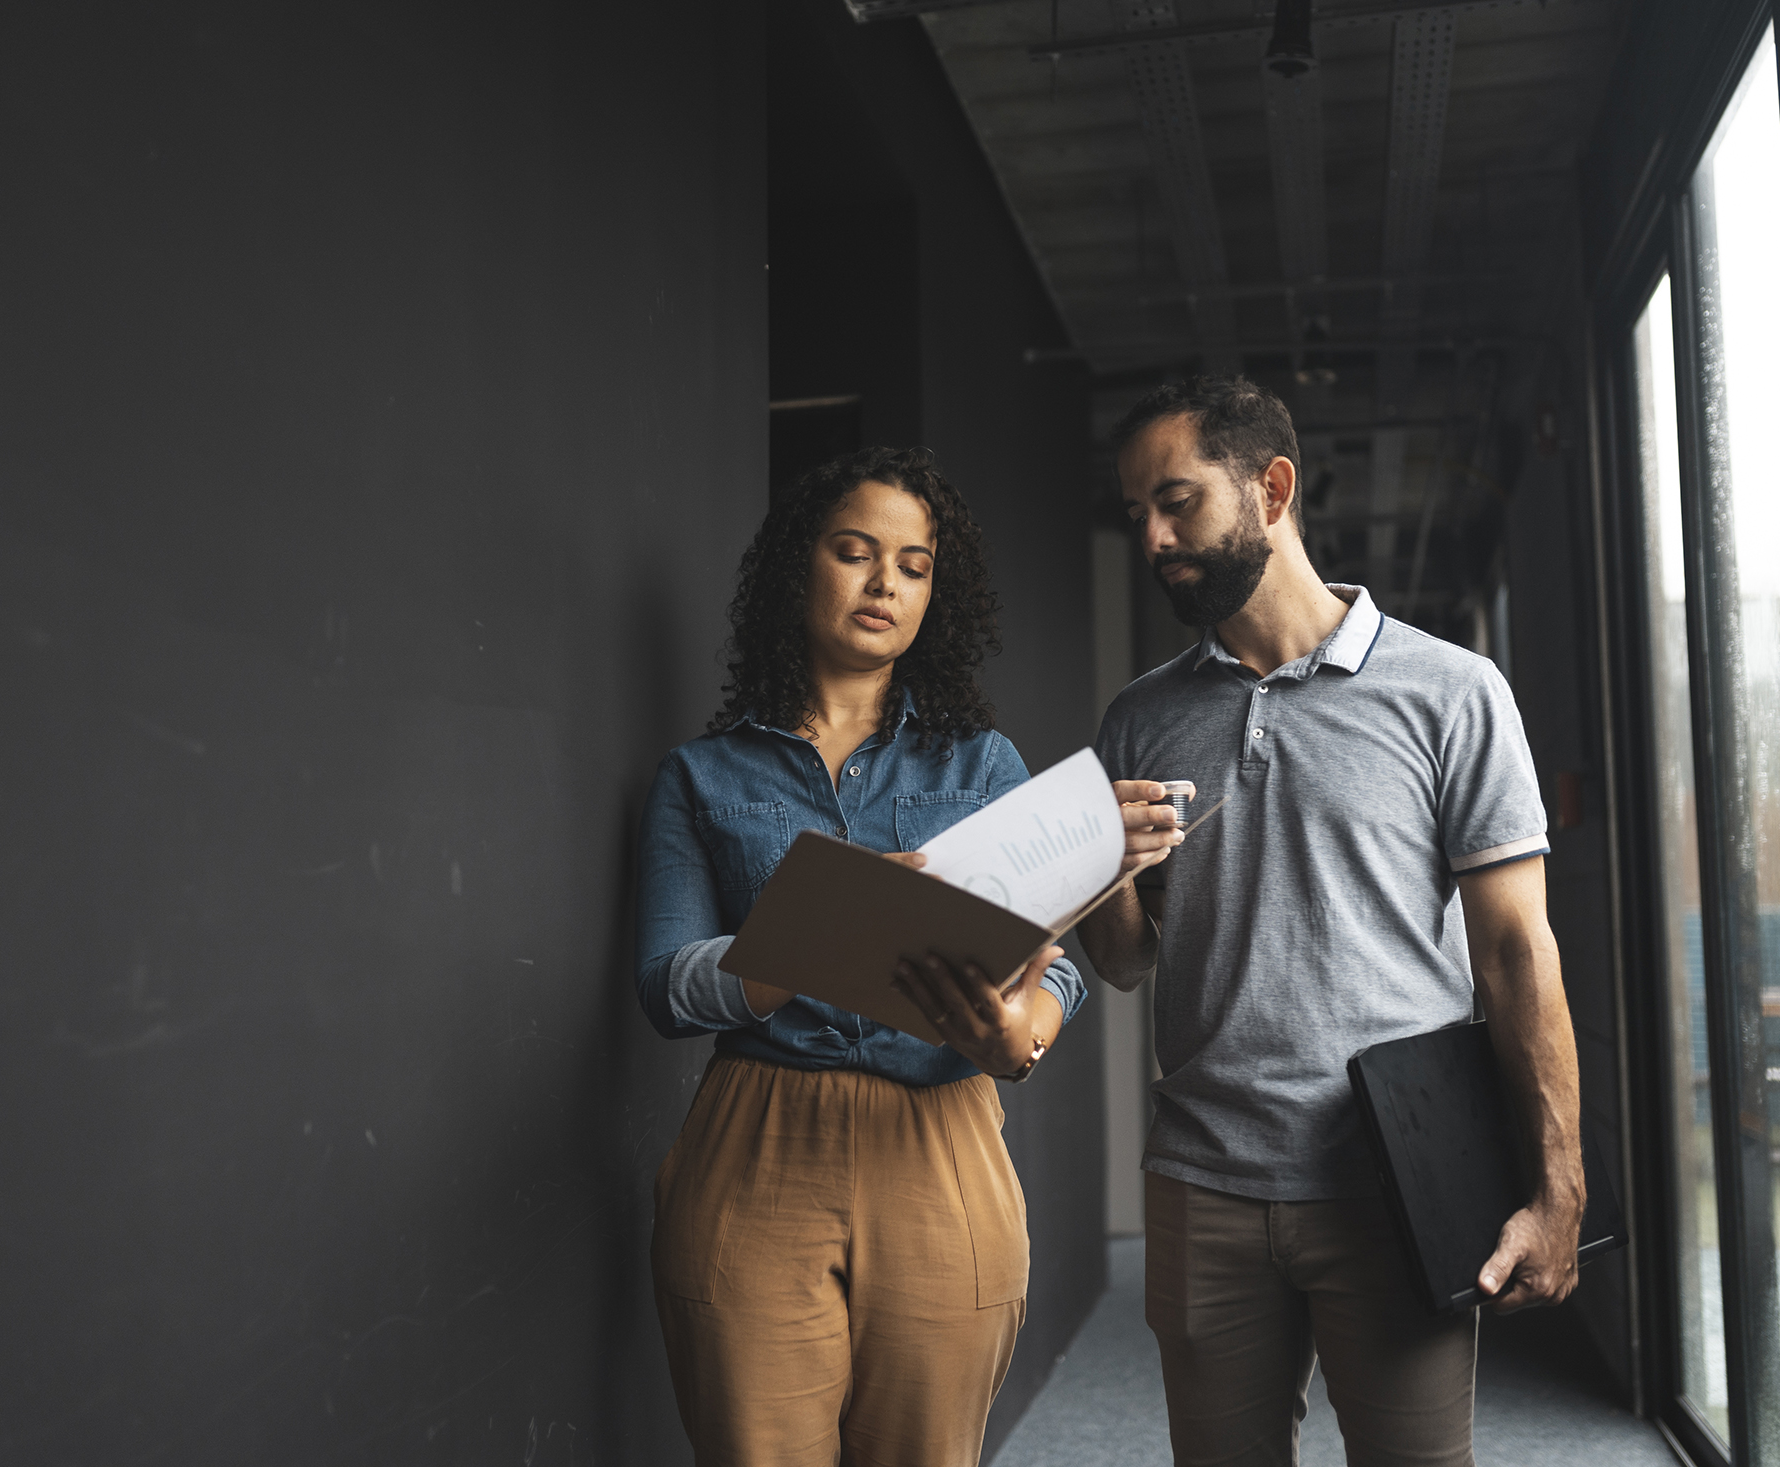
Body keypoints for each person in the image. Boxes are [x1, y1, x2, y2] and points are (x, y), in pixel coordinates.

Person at [635, 446, 1181, 1467]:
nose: (884, 582)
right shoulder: (700, 777)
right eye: (855, 552)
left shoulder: (984, 765)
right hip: (754, 1147)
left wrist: (1022, 1034)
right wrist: (823, 928)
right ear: (802, 566)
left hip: (941, 1141)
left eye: (915, 565)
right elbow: (667, 985)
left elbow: (1053, 960)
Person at [1078, 377, 1586, 1467]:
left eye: (1176, 503)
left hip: (1394, 1181)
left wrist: (1557, 1186)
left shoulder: (1450, 692)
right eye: (1137, 516)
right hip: (1200, 1180)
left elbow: (1512, 954)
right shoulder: (1139, 717)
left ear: (1271, 489)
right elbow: (1122, 960)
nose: (1155, 538)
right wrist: (1101, 872)